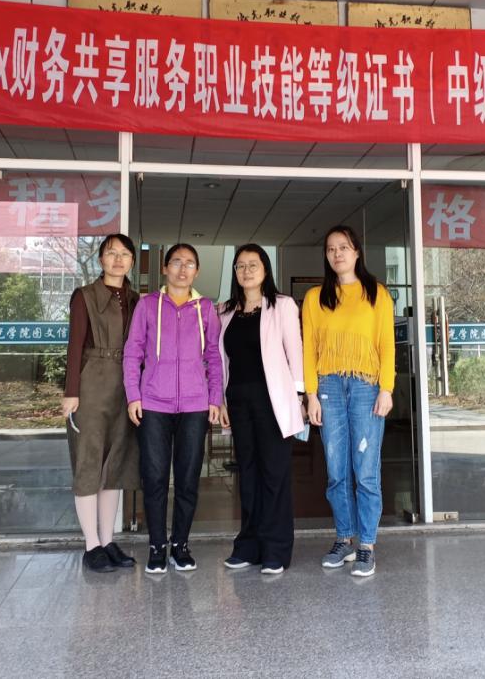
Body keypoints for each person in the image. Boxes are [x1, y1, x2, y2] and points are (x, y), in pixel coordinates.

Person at [123, 243, 223, 574]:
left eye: (189, 263)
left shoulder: (205, 308)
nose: (183, 268)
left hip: (194, 405)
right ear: (165, 268)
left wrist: (214, 398)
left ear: (197, 271)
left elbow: (214, 356)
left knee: (188, 478)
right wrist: (133, 395)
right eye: (176, 262)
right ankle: (157, 545)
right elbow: (133, 351)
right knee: (154, 477)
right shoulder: (147, 305)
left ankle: (180, 544)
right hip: (154, 403)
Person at [303, 225, 395, 577]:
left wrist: (386, 388)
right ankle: (344, 538)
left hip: (366, 385)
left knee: (366, 470)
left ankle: (367, 545)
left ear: (357, 251)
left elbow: (386, 343)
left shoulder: (377, 293)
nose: (337, 253)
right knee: (336, 470)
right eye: (331, 249)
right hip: (328, 386)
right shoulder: (315, 297)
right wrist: (311, 395)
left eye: (343, 247)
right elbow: (309, 348)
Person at [217, 244, 305, 575]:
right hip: (238, 401)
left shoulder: (282, 305)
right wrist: (221, 400)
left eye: (253, 264)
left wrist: (300, 395)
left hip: (273, 401)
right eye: (240, 266)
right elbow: (221, 361)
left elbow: (295, 352)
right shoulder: (225, 311)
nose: (246, 271)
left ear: (265, 269)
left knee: (274, 474)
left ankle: (275, 549)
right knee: (248, 474)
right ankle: (248, 546)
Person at [62, 233, 141, 573]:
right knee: (89, 462)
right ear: (100, 259)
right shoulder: (85, 296)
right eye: (111, 253)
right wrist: (71, 392)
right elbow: (75, 345)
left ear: (132, 261)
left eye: (124, 254)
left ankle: (108, 541)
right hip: (92, 382)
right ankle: (91, 545)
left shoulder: (137, 300)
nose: (118, 259)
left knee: (115, 466)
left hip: (126, 385)